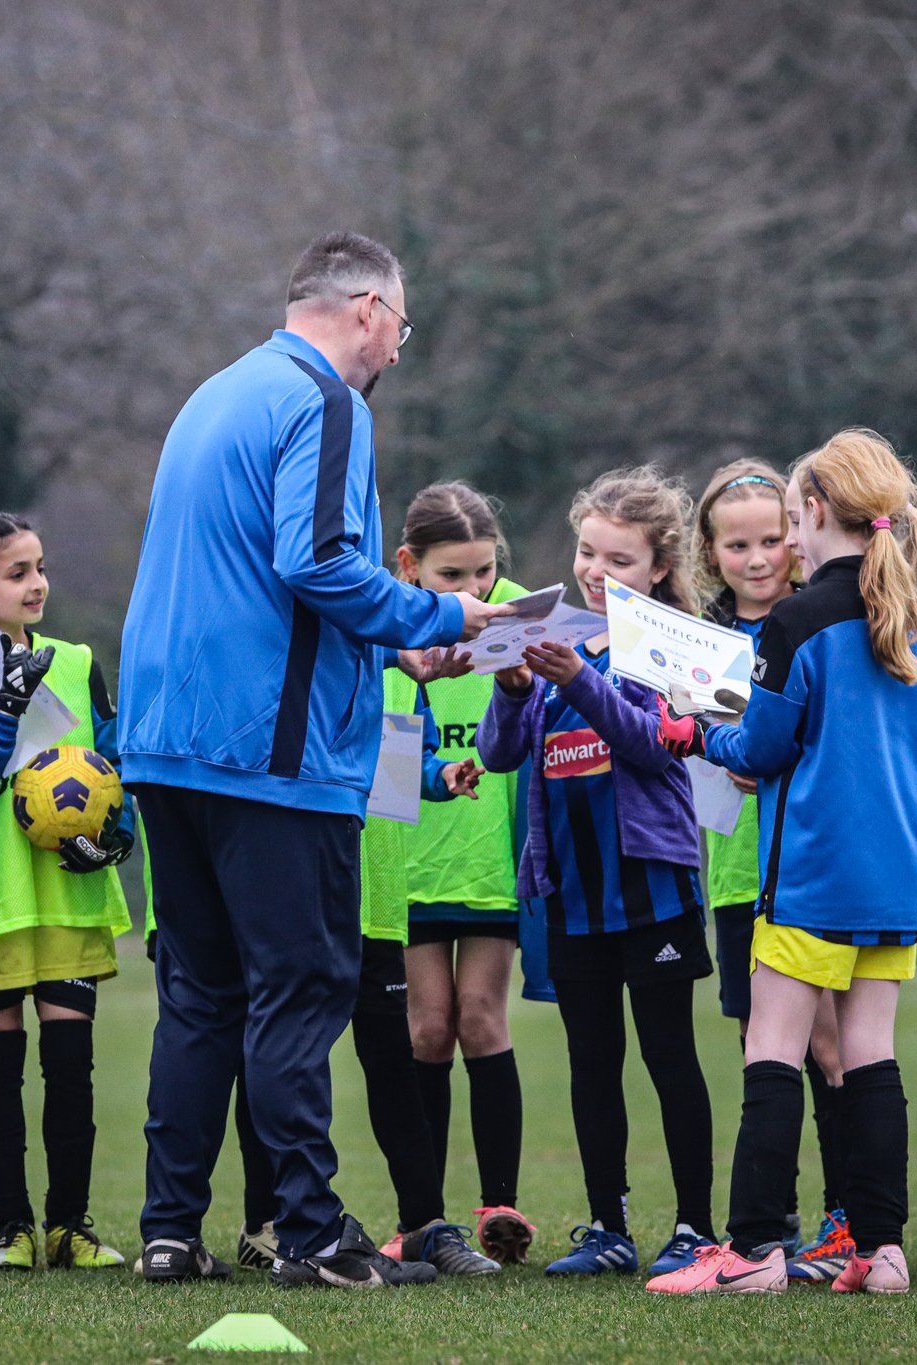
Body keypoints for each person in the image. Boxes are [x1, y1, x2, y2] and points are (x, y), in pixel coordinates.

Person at [119, 231, 509, 1290]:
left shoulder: (213, 395)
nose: (397, 352)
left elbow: (255, 581)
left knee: (199, 995)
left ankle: (169, 1230)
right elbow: (316, 562)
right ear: (370, 310)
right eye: (402, 328)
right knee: (300, 989)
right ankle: (311, 1236)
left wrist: (392, 644)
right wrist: (443, 614)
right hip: (269, 754)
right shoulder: (326, 400)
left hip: (166, 744)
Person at [654, 429, 917, 1296]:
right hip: (890, 878)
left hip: (810, 871)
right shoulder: (914, 615)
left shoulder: (796, 619)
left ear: (814, 511)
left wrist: (694, 733)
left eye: (789, 517)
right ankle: (881, 1251)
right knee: (871, 1055)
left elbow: (762, 748)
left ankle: (751, 1252)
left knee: (772, 1047)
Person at [476, 467, 716, 1282]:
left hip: (652, 885)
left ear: (658, 567)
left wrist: (578, 681)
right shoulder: (561, 636)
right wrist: (513, 690)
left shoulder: (671, 643)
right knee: (592, 1061)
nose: (596, 570)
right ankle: (608, 1226)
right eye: (588, 552)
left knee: (669, 1056)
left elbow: (653, 745)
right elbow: (499, 754)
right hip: (570, 892)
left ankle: (694, 1227)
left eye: (619, 559)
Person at [234, 675, 498, 1278]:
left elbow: (408, 766)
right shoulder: (289, 650)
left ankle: (425, 1225)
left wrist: (440, 776)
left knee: (392, 1064)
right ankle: (267, 1223)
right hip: (297, 902)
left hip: (374, 904)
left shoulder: (403, 675)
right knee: (284, 1054)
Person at [0, 511, 135, 1272]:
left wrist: (116, 838)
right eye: (17, 573)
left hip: (69, 897)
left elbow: (115, 769)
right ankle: (10, 1228)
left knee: (71, 1065)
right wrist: (9, 703)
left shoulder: (77, 662)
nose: (37, 583)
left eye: (40, 567)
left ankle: (70, 1226)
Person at [690, 460, 848, 1281]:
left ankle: (845, 1216)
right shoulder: (697, 639)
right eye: (736, 544)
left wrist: (764, 755)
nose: (756, 558)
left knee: (831, 1044)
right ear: (709, 550)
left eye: (770, 539)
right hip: (734, 872)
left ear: (797, 534)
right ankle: (774, 1220)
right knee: (762, 1046)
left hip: (808, 863)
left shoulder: (815, 621)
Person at [392, 483, 539, 1264]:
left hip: (491, 865)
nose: (474, 589)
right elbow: (383, 754)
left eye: (484, 571)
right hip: (410, 864)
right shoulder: (382, 628)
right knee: (427, 1029)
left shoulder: (521, 618)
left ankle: (499, 1206)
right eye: (452, 575)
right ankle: (423, 1216)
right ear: (408, 566)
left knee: (482, 1018)